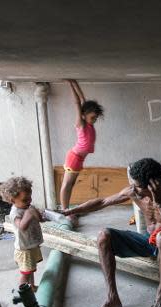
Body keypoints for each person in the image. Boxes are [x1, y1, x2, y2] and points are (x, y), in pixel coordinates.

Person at [64, 158, 161, 307]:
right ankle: (113, 299)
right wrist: (71, 210)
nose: (133, 188)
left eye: (137, 186)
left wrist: (160, 204)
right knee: (104, 235)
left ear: (152, 185)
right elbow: (103, 202)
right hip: (149, 241)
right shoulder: (134, 191)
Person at [60, 80, 104, 222]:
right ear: (84, 115)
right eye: (92, 117)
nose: (94, 120)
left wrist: (74, 83)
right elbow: (77, 103)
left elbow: (83, 100)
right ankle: (65, 211)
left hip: (79, 159)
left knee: (70, 184)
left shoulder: (89, 124)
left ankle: (67, 210)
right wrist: (69, 84)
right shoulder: (81, 124)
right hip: (74, 157)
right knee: (66, 184)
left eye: (96, 118)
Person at [0, 177, 44, 291]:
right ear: (12, 200)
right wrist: (28, 214)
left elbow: (40, 219)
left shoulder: (28, 207)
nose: (29, 201)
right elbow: (21, 227)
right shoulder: (15, 212)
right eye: (25, 200)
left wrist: (40, 214)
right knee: (25, 273)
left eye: (30, 198)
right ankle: (23, 292)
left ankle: (32, 286)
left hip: (31, 244)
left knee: (31, 269)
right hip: (24, 250)